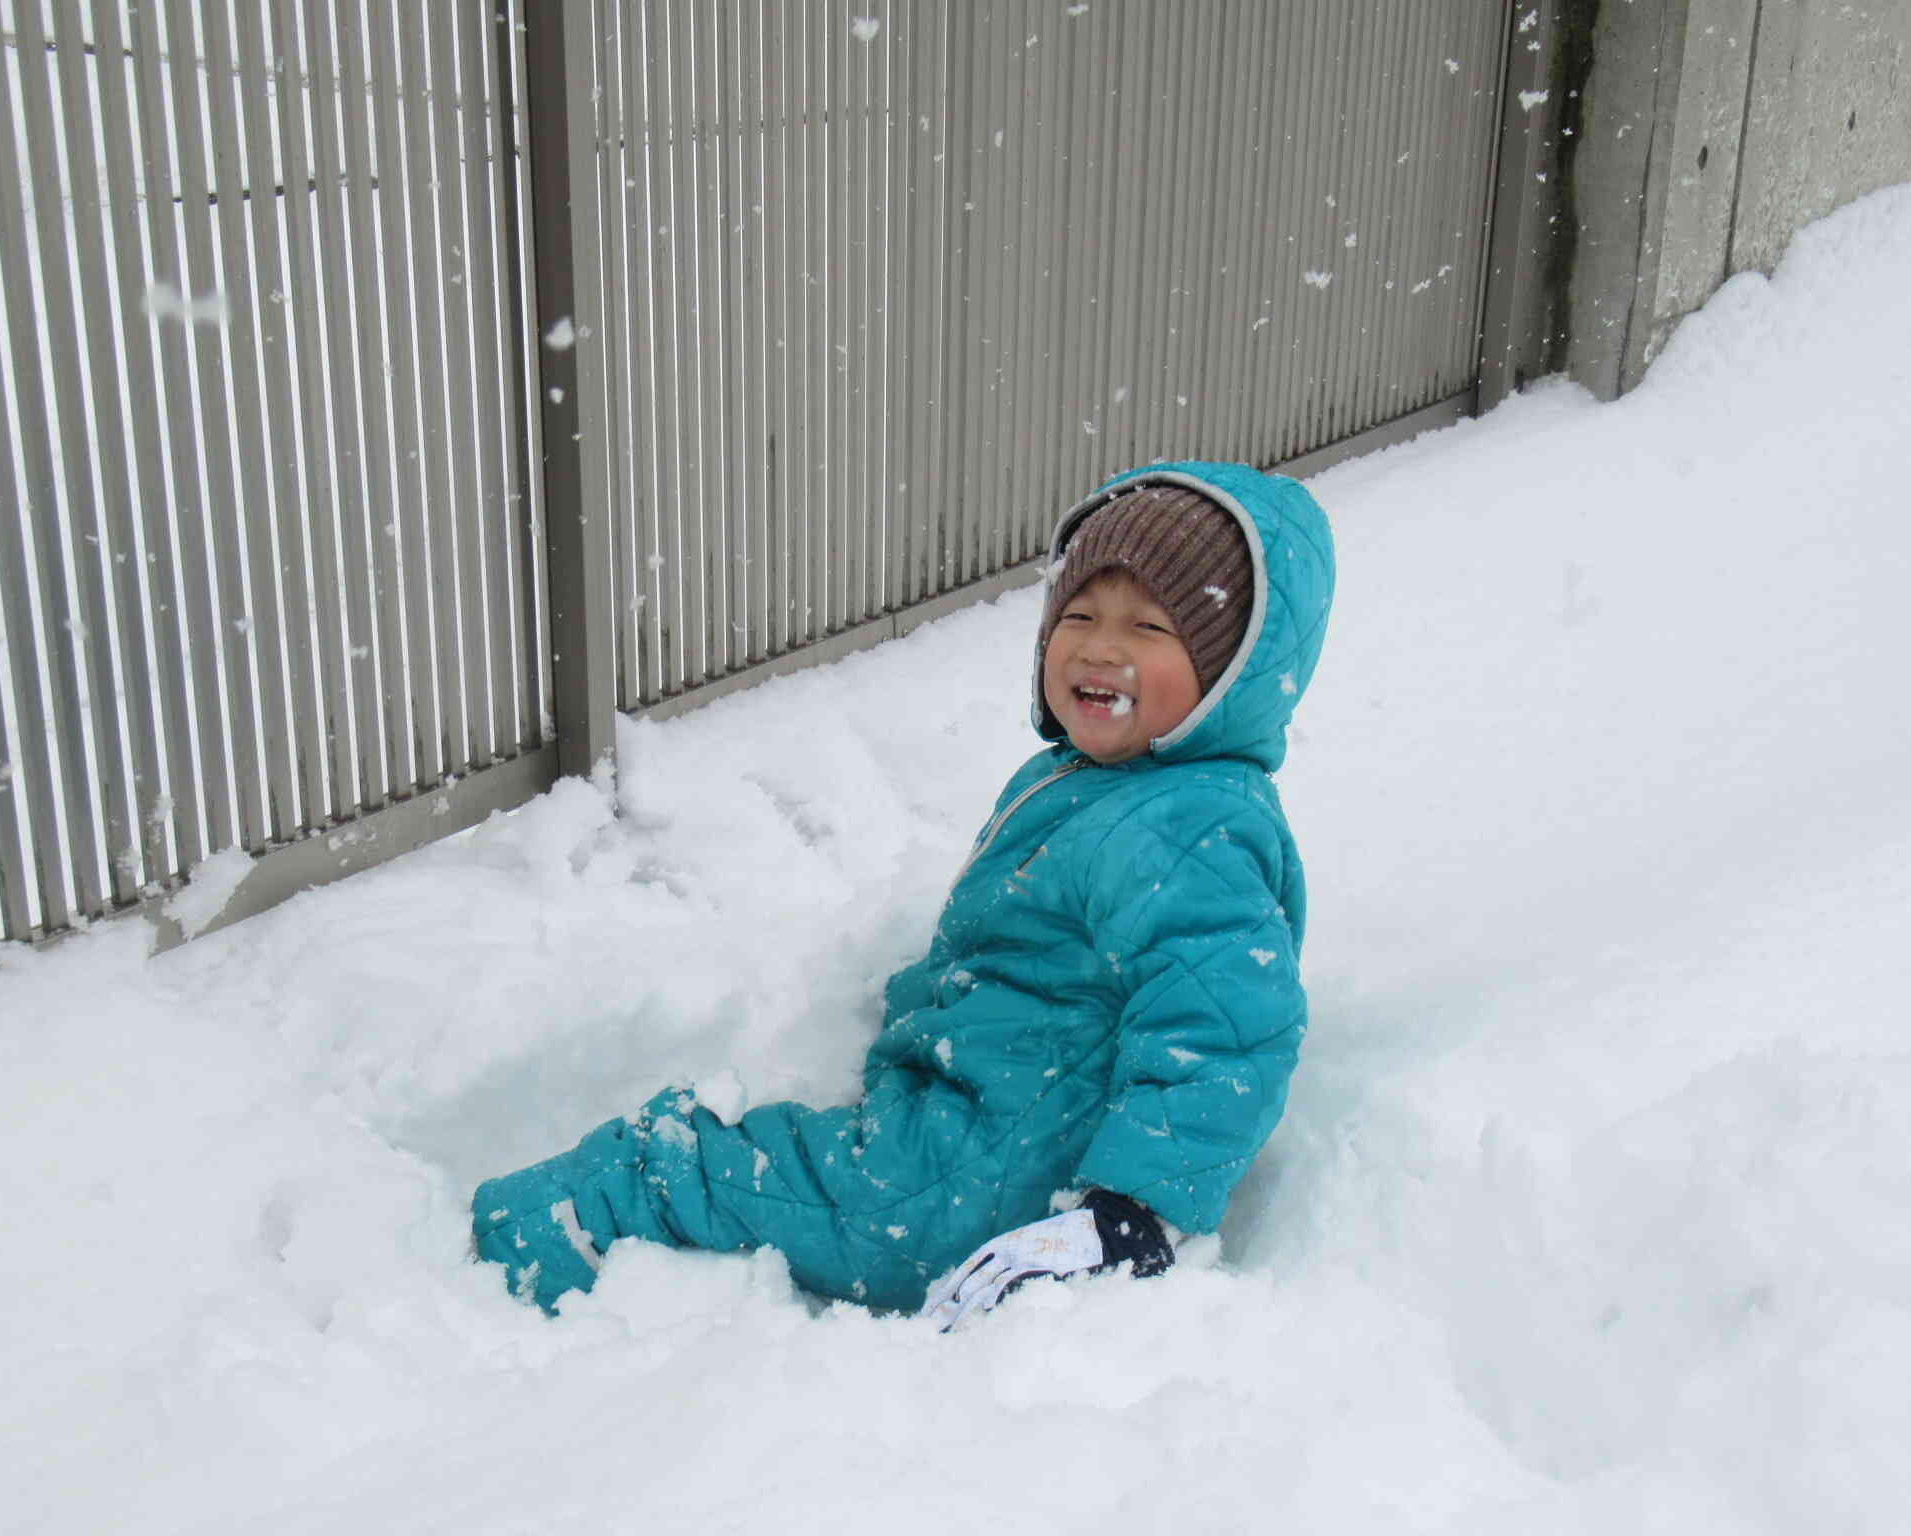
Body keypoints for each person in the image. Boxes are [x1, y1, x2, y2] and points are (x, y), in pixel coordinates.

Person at [472, 459, 1335, 1329]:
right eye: (1077, 615)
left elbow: (1224, 1030)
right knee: (783, 1167)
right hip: (975, 1121)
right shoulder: (1105, 782)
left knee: (723, 1168)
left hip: (969, 1181)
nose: (1101, 647)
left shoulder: (1192, 830)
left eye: (1150, 626)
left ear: (1230, 673)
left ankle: (528, 1242)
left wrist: (1132, 1211)